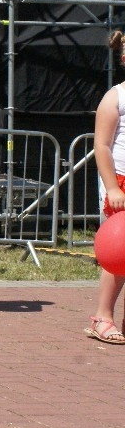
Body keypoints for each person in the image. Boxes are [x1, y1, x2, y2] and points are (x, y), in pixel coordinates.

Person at [86, 29, 125, 344]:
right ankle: (103, 316)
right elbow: (102, 146)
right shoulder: (116, 97)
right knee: (120, 254)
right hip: (122, 183)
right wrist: (112, 188)